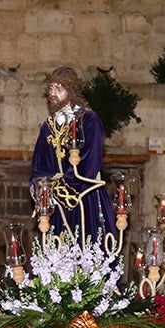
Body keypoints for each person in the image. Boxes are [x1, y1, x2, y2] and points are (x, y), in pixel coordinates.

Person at [30, 67, 115, 241]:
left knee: (88, 250)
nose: (53, 93)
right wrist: (42, 190)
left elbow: (89, 162)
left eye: (59, 89)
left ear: (72, 91)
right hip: (55, 203)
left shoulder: (89, 120)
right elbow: (39, 165)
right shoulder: (48, 126)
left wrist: (59, 189)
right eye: (51, 88)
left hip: (85, 198)